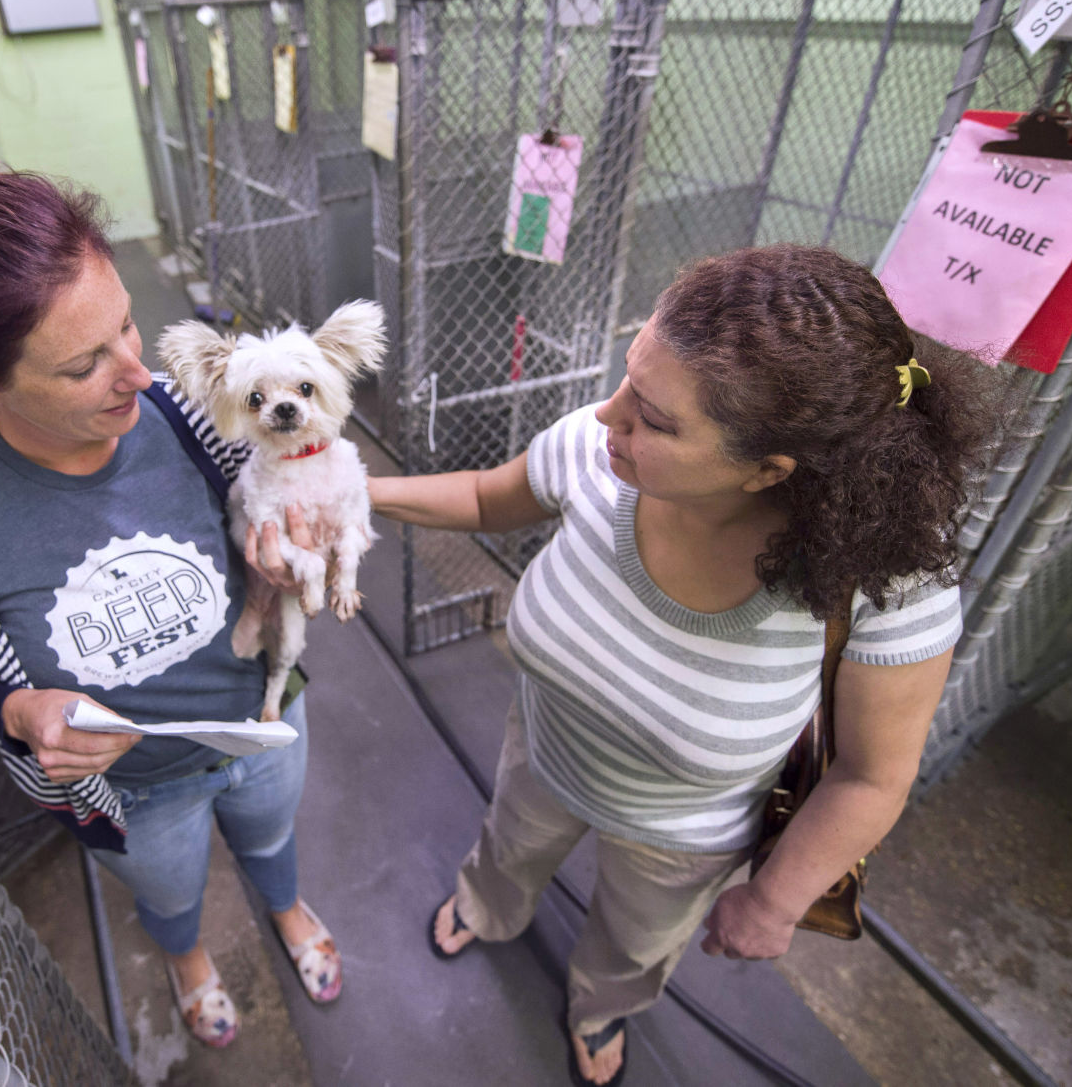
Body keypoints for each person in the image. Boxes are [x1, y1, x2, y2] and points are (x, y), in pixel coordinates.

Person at [368, 245, 1010, 1087]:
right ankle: (487, 908)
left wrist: (775, 899)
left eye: (655, 419)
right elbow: (491, 496)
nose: (607, 416)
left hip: (682, 837)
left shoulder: (885, 585)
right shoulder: (598, 455)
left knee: (635, 943)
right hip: (546, 751)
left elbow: (871, 777)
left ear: (767, 470)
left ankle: (599, 1008)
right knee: (508, 846)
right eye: (630, 374)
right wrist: (352, 492)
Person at [0, 156, 342, 1048]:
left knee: (272, 835)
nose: (139, 376)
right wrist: (15, 709)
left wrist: (290, 539)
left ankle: (289, 906)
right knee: (167, 889)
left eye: (128, 327)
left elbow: (296, 477)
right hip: (129, 793)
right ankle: (188, 957)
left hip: (262, 723)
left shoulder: (199, 415)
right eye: (86, 365)